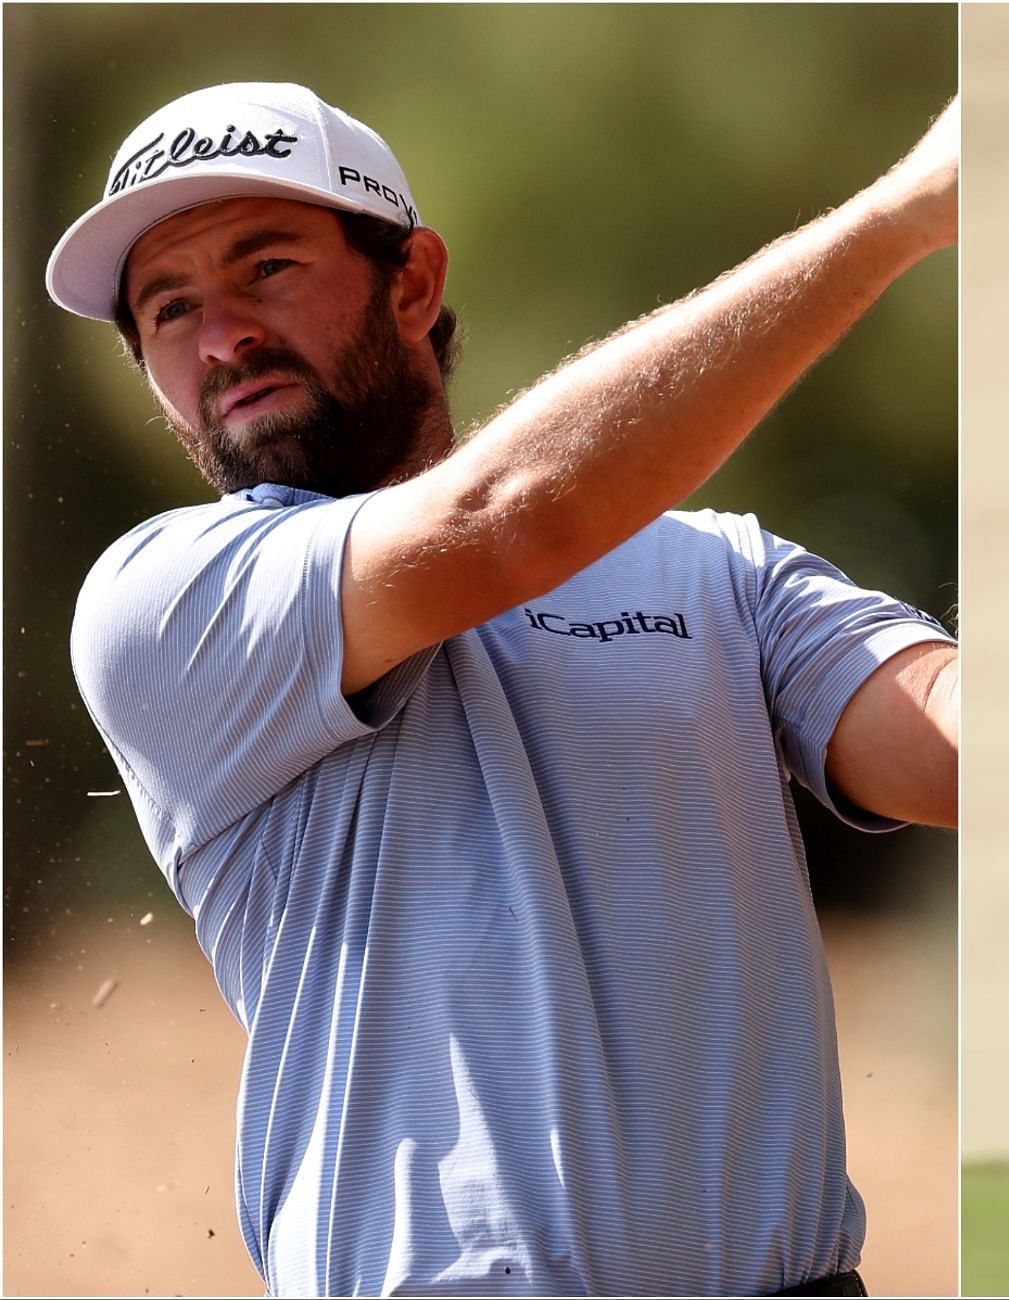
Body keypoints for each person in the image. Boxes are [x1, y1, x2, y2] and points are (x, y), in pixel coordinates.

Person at [49, 82, 956, 1297]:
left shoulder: (719, 568)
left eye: (266, 268)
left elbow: (955, 746)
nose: (221, 338)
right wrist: (903, 215)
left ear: (411, 284)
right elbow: (507, 517)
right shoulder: (162, 602)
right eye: (170, 310)